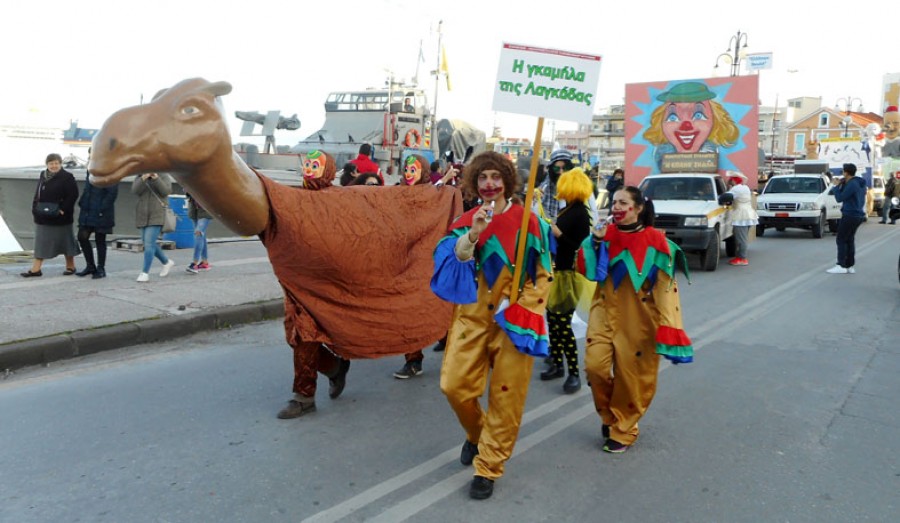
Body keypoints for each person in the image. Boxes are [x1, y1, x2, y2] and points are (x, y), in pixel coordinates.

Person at [431, 151, 553, 499]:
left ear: (507, 181)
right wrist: (472, 235)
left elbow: (544, 274)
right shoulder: (464, 221)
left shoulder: (530, 221)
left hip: (514, 322)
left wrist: (523, 306)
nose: (489, 184)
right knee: (454, 387)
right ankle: (476, 434)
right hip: (471, 318)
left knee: (506, 397)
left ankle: (488, 466)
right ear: (474, 182)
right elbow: (450, 261)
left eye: (495, 177)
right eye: (482, 177)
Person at [580, 185, 692, 453]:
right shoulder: (603, 236)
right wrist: (594, 241)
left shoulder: (658, 242)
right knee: (595, 367)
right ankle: (609, 417)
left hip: (640, 321)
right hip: (604, 313)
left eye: (622, 202)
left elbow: (666, 290)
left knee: (632, 380)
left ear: (638, 208)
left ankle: (624, 428)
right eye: (614, 202)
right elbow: (587, 271)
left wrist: (670, 327)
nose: (616, 207)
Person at [277, 150, 352, 419]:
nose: (309, 169)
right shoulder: (293, 197)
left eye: (315, 165)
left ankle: (304, 395)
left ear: (328, 170)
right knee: (295, 336)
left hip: (326, 282)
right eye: (306, 164)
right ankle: (334, 367)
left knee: (306, 335)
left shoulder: (338, 201)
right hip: (296, 280)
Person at [540, 167, 592, 394]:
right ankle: (557, 364)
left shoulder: (580, 212)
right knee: (553, 320)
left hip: (569, 275)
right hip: (559, 271)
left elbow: (580, 246)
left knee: (563, 325)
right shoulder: (569, 209)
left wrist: (559, 234)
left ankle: (573, 373)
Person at [21, 153, 80, 277]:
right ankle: (36, 269)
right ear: (47, 164)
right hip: (43, 215)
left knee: (66, 242)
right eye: (51, 163)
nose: (54, 166)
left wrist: (62, 210)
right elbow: (38, 192)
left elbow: (73, 195)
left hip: (61, 217)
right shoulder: (43, 175)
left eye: (56, 163)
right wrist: (34, 208)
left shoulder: (67, 177)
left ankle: (71, 266)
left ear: (60, 164)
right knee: (41, 242)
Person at [75, 149, 118, 279]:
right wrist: (82, 202)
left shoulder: (109, 170)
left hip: (101, 212)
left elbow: (112, 193)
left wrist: (101, 209)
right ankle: (90, 265)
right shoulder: (90, 169)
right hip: (88, 210)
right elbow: (88, 188)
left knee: (100, 240)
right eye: (90, 154)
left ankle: (101, 268)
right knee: (82, 237)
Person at [132, 172, 176, 282]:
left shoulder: (163, 175)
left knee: (149, 244)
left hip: (157, 213)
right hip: (142, 214)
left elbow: (166, 191)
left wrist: (156, 179)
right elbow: (135, 191)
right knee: (148, 242)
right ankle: (166, 262)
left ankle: (144, 273)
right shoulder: (140, 175)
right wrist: (143, 178)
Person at [827, 163, 867, 274]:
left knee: (841, 239)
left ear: (846, 172)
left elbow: (840, 198)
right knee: (849, 239)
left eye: (843, 172)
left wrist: (835, 187)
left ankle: (841, 265)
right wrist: (842, 183)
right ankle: (849, 265)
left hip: (850, 214)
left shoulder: (852, 184)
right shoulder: (859, 183)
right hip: (858, 215)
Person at [724, 171, 758, 266]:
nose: (729, 182)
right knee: (742, 237)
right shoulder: (745, 187)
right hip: (748, 214)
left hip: (741, 216)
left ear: (733, 181)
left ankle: (742, 258)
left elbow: (726, 196)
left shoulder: (736, 189)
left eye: (730, 181)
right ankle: (739, 257)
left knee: (741, 239)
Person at [185, 193, 213, 274]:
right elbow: (186, 191)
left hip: (206, 210)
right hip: (194, 210)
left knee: (198, 233)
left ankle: (194, 264)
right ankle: (205, 262)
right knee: (201, 236)